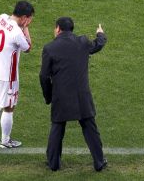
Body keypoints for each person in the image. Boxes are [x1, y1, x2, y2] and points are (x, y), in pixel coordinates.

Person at [40, 17, 107, 171]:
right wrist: (100, 34)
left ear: (58, 29)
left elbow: (44, 76)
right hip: (81, 95)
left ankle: (53, 163)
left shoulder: (49, 48)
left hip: (61, 96)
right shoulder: (82, 42)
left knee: (57, 127)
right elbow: (98, 45)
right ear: (72, 29)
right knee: (90, 127)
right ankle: (99, 161)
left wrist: (48, 96)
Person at [0, 1, 34, 148]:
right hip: (7, 76)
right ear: (24, 17)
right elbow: (28, 47)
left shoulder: (1, 17)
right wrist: (25, 28)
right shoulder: (17, 33)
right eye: (29, 19)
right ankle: (5, 141)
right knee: (9, 107)